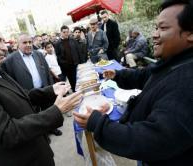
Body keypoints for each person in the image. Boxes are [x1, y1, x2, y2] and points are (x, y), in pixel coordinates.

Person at [74, 0, 193, 165]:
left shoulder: (187, 82)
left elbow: (154, 140)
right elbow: (145, 76)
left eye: (163, 28)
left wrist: (97, 123)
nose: (154, 34)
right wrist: (117, 75)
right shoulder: (174, 62)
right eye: (156, 27)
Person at [0, 24, 82, 166]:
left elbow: (20, 96)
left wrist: (50, 90)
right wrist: (56, 111)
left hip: (38, 151)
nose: (4, 47)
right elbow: (6, 133)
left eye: (3, 41)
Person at [54, 25, 82, 92]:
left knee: (78, 79)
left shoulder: (73, 40)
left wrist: (79, 61)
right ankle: (75, 91)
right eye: (64, 32)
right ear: (61, 33)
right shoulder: (57, 43)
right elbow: (58, 56)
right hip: (66, 66)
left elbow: (78, 51)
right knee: (71, 80)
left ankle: (79, 91)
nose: (66, 33)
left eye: (67, 32)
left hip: (75, 64)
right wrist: (63, 64)